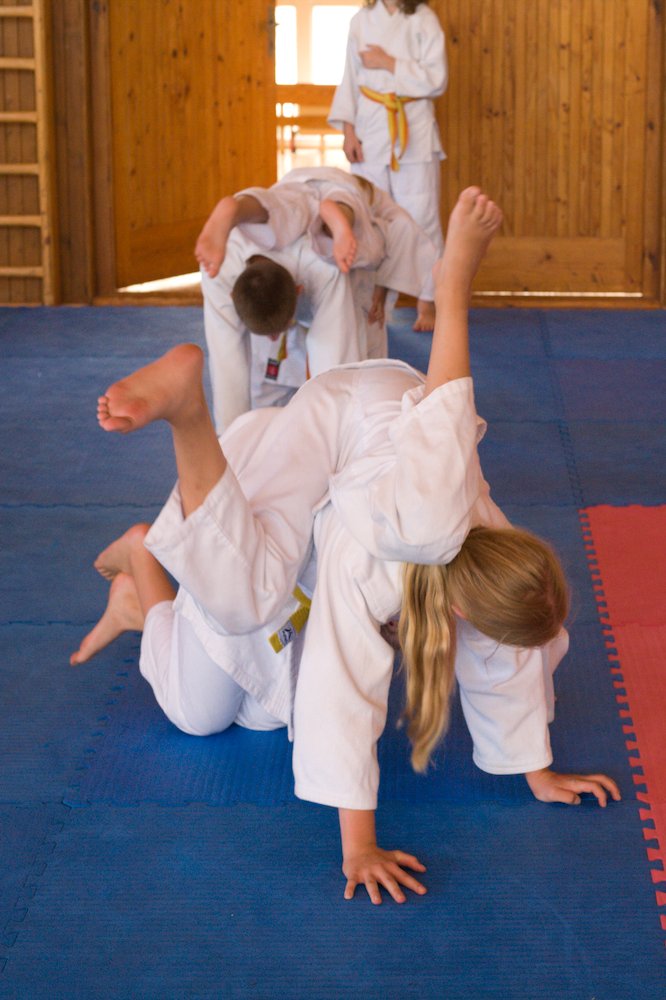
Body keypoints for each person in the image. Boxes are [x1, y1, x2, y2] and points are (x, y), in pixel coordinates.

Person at [72, 188, 620, 905]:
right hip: (330, 423)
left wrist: (536, 771)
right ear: (460, 613)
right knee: (241, 612)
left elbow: (448, 407)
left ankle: (145, 594)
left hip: (391, 411)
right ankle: (187, 416)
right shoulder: (391, 554)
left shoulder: (486, 537)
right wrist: (358, 845)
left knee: (262, 709)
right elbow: (343, 683)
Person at [196, 167, 439, 423]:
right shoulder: (221, 267)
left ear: (299, 289)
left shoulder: (327, 264)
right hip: (293, 200)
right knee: (296, 214)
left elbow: (227, 358)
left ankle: (331, 217)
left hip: (327, 199)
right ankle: (239, 209)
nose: (274, 338)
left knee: (357, 243)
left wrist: (382, 289)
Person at [329, 0, 448, 331]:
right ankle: (372, 301)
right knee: (368, 216)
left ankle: (428, 301)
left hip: (414, 130)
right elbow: (349, 79)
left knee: (422, 218)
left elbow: (437, 79)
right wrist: (348, 131)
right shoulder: (361, 20)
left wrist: (389, 62)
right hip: (369, 128)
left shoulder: (424, 20)